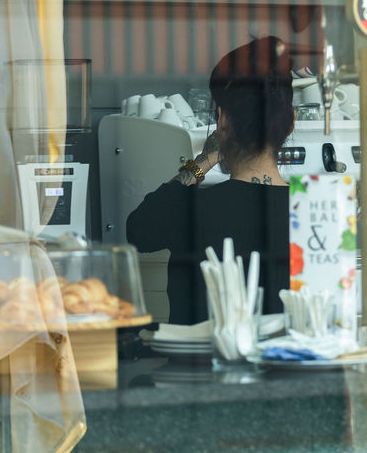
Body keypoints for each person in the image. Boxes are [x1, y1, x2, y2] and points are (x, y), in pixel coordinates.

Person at [126, 37, 295, 326]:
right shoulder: (308, 213)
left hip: (199, 368)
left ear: (222, 120)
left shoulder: (193, 211)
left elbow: (138, 230)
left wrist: (205, 159)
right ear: (290, 122)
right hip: (290, 368)